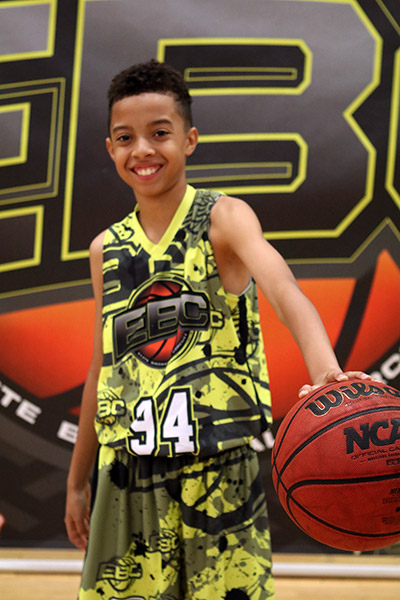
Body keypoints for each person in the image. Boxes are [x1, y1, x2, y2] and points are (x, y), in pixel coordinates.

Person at [65, 59, 369, 600]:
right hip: (126, 473)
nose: (142, 150)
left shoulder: (223, 218)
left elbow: (284, 289)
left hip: (218, 472)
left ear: (190, 139)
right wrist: (76, 480)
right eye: (125, 138)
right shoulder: (104, 249)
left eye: (160, 133)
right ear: (110, 149)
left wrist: (328, 372)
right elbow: (101, 368)